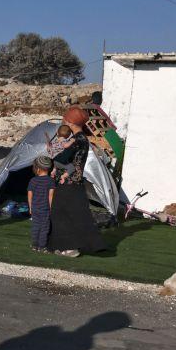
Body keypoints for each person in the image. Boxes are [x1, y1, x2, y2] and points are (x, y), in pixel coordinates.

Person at [46, 106, 107, 258]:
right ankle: (64, 245)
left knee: (63, 215)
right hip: (73, 182)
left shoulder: (78, 140)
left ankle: (70, 247)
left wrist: (52, 156)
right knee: (74, 214)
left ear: (70, 121)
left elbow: (65, 157)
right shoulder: (80, 139)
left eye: (65, 119)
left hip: (69, 182)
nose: (63, 121)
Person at [27, 155, 56, 252]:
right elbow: (50, 196)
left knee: (36, 226)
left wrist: (30, 207)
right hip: (45, 209)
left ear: (38, 169)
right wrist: (51, 209)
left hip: (35, 208)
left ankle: (34, 245)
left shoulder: (33, 180)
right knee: (45, 228)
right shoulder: (51, 181)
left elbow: (30, 194)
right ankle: (42, 246)